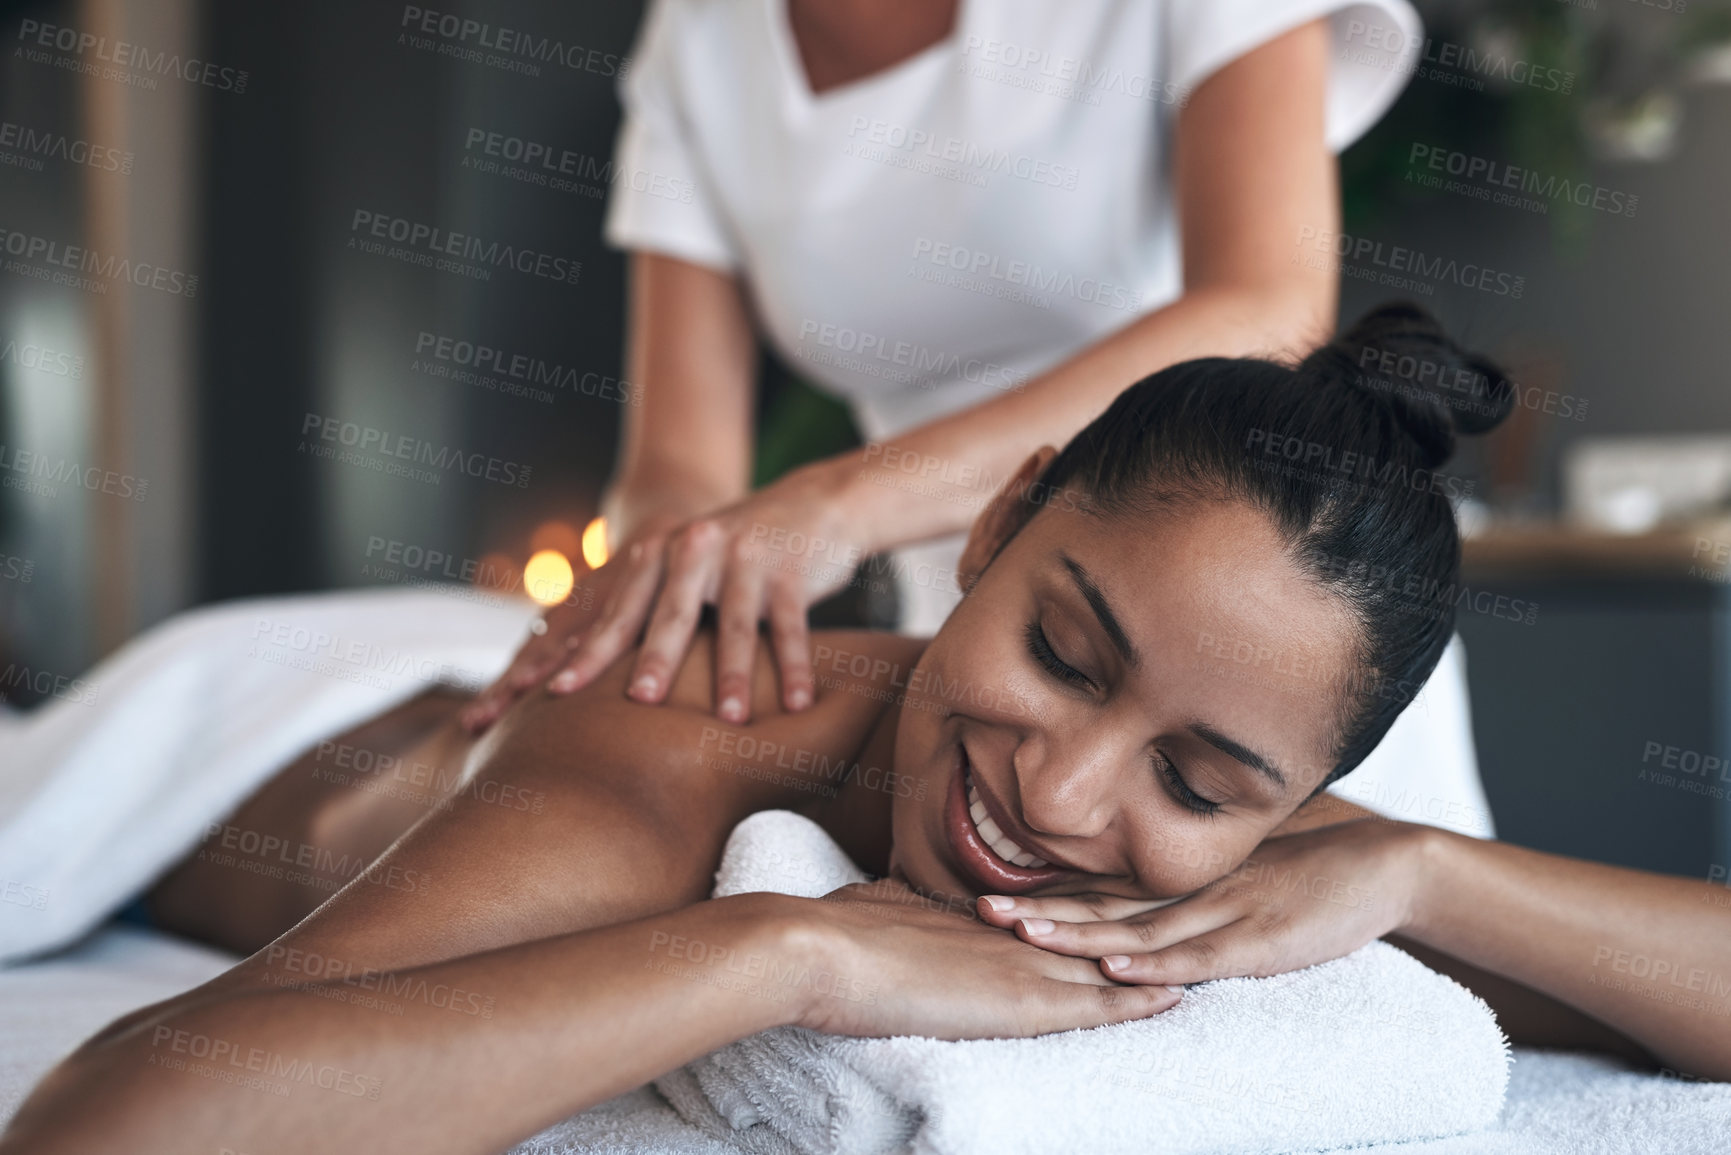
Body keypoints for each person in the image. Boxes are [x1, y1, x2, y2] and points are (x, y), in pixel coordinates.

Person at [6, 309, 1725, 1155]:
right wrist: (792, 958)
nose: (1057, 794)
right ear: (991, 531)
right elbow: (110, 1126)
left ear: (1298, 800)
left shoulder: (1251, 849)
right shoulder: (665, 759)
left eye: (1199, 784)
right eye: (1060, 652)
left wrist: (1423, 871)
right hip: (307, 722)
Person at [460, 0, 1497, 849]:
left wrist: (844, 500)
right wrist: (641, 619)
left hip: (1249, 645)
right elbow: (678, 465)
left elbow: (1269, 307)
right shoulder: (698, 39)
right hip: (973, 659)